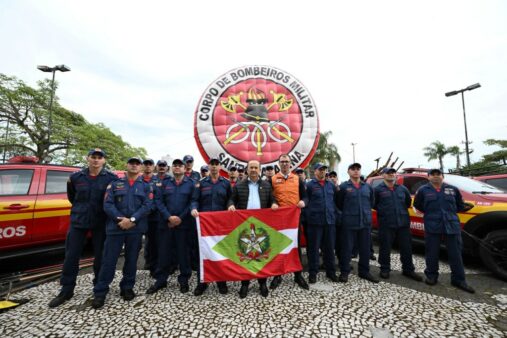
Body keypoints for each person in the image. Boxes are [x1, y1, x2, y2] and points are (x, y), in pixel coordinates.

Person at [49, 148, 117, 308]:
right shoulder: (75, 177)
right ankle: (67, 290)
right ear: (87, 158)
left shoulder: (111, 178)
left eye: (99, 158)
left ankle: (99, 289)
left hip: (101, 221)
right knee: (71, 256)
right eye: (93, 157)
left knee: (101, 256)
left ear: (104, 161)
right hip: (79, 221)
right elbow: (72, 196)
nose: (96, 160)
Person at [92, 157, 153, 309]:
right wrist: (121, 219)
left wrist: (132, 220)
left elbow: (148, 206)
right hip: (115, 228)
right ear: (126, 165)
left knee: (131, 260)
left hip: (135, 229)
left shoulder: (146, 186)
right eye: (131, 163)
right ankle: (100, 292)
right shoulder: (114, 184)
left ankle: (127, 287)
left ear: (140, 167)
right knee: (109, 261)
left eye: (137, 163)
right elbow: (108, 204)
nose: (134, 165)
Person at [413, 168, 475, 293]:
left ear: (443, 176)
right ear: (428, 177)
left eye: (438, 174)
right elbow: (418, 205)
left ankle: (458, 280)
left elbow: (459, 205)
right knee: (432, 252)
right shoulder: (423, 191)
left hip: (451, 225)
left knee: (455, 254)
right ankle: (431, 276)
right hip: (432, 225)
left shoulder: (452, 189)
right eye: (433, 175)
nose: (436, 177)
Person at [147, 159, 198, 294]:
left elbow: (192, 202)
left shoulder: (191, 184)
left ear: (184, 168)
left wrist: (179, 218)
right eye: (175, 165)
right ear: (172, 168)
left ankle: (184, 280)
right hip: (166, 224)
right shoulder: (164, 183)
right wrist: (168, 217)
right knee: (163, 253)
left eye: (180, 165)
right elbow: (158, 201)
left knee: (183, 254)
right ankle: (161, 280)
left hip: (184, 224)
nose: (177, 168)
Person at [227, 160, 277, 298]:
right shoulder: (239, 185)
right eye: (251, 167)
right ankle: (245, 284)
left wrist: (273, 204)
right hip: (244, 226)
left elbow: (273, 200)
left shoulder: (267, 185)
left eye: (256, 167)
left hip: (262, 227)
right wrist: (231, 205)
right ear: (247, 170)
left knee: (261, 255)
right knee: (245, 255)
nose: (254, 170)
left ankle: (262, 283)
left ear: (259, 170)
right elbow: (231, 199)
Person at [191, 158, 232, 296]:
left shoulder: (225, 183)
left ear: (220, 167)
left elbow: (230, 199)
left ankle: (221, 281)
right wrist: (194, 208)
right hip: (205, 225)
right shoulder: (201, 183)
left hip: (220, 224)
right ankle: (202, 282)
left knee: (220, 251)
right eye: (212, 165)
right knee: (202, 252)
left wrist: (230, 205)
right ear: (208, 167)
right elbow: (194, 200)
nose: (214, 167)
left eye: (216, 164)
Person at [373, 167, 422, 281]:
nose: (391, 174)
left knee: (407, 247)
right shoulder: (377, 190)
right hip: (386, 223)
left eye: (393, 173)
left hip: (403, 223)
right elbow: (374, 204)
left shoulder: (402, 189)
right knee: (385, 247)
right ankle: (385, 269)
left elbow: (407, 203)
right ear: (383, 175)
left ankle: (408, 270)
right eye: (388, 173)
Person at [269, 154, 309, 290]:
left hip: (294, 219)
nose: (285, 164)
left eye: (287, 162)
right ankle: (277, 275)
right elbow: (270, 197)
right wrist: (273, 203)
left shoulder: (297, 179)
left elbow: (305, 196)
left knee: (296, 247)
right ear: (279, 164)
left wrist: (304, 202)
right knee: (278, 247)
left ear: (290, 163)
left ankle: (298, 275)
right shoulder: (273, 179)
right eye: (282, 162)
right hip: (279, 220)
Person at [336, 163, 379, 283]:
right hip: (349, 223)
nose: (356, 171)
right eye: (353, 169)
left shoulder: (367, 187)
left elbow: (371, 202)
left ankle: (364, 272)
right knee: (346, 249)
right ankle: (344, 272)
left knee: (365, 249)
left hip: (365, 223)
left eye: (358, 169)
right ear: (348, 172)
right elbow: (339, 204)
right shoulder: (343, 187)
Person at [305, 163, 339, 283]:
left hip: (329, 222)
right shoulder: (309, 185)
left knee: (329, 249)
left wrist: (335, 215)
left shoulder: (331, 185)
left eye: (324, 170)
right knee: (313, 249)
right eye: (320, 170)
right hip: (315, 223)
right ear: (315, 171)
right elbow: (306, 201)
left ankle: (331, 272)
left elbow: (335, 201)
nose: (322, 172)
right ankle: (313, 273)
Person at [141, 158, 161, 277]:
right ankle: (147, 263)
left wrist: (150, 209)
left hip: (154, 217)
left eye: (150, 164)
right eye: (146, 164)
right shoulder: (138, 180)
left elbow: (159, 199)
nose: (148, 166)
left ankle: (154, 266)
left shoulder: (158, 181)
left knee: (154, 242)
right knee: (142, 243)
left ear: (154, 167)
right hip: (140, 217)